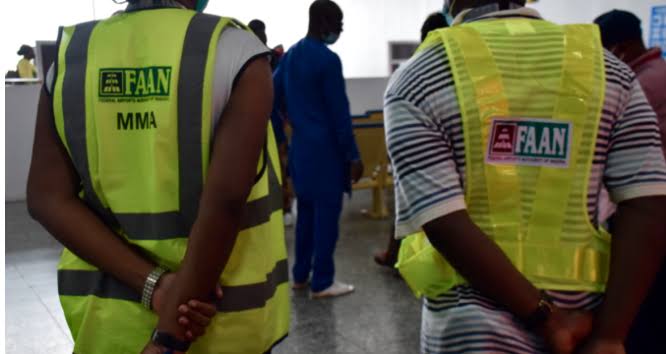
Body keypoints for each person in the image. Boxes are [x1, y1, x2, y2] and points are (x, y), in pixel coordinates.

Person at [386, 1, 666, 353]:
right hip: (588, 322)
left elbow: (443, 219)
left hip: (470, 332)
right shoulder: (611, 72)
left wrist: (547, 318)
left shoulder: (417, 78)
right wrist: (611, 335)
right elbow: (649, 203)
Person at [26, 0, 289, 353]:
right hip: (217, 325)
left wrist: (156, 285)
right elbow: (225, 203)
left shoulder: (74, 56)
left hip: (107, 320)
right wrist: (167, 339)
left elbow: (47, 199)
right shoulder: (234, 50)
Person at [272, 0, 363, 298]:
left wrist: (287, 123)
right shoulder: (327, 60)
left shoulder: (290, 57)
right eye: (338, 24)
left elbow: (272, 96)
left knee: (306, 217)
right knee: (326, 219)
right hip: (326, 154)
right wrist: (352, 155)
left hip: (301, 151)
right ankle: (323, 281)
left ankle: (300, 276)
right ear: (323, 22)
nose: (340, 30)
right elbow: (339, 113)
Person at [595, 9, 666, 354]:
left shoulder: (639, 85)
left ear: (619, 49)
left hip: (648, 214)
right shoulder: (657, 74)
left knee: (643, 316)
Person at [375, 11, 449, 268]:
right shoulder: (460, 69)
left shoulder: (409, 75)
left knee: (407, 204)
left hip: (417, 158)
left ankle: (398, 257)